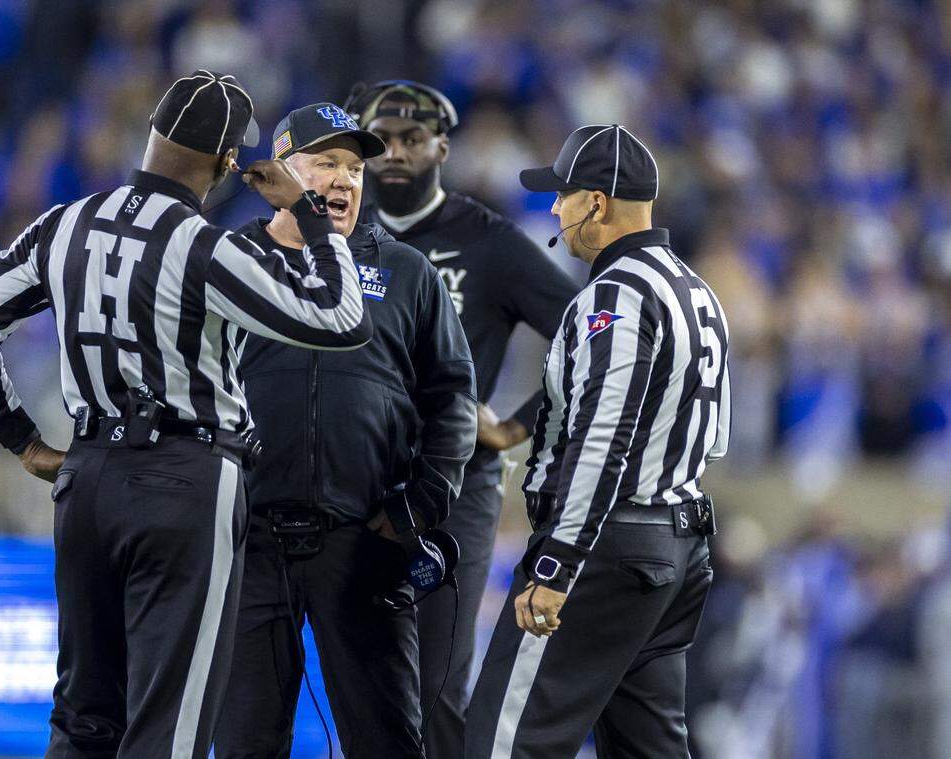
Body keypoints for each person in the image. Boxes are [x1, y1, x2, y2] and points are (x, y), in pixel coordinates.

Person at [0, 71, 373, 759]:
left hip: (86, 478)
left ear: (152, 137)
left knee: (81, 720)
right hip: (187, 482)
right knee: (170, 729)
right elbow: (342, 318)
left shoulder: (64, 223)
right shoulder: (204, 245)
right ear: (229, 162)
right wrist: (314, 220)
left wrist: (23, 441)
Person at [212, 102, 477, 759]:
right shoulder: (227, 258)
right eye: (326, 162)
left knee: (387, 740)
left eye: (356, 167)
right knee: (244, 741)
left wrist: (424, 498)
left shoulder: (409, 273)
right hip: (249, 544)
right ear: (280, 171)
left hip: (365, 541)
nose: (346, 179)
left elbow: (453, 397)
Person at [465, 124, 731, 758]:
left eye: (564, 195)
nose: (556, 209)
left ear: (598, 202)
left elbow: (602, 439)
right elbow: (713, 438)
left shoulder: (615, 293)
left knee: (499, 743)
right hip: (678, 543)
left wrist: (557, 563)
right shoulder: (697, 289)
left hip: (607, 547)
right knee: (649, 747)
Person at [343, 80, 579, 758]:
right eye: (380, 139)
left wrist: (513, 425)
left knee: (438, 679)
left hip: (451, 483)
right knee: (356, 671)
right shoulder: (335, 232)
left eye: (412, 139)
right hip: (353, 479)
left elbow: (590, 338)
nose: (394, 153)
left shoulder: (487, 240)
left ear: (442, 147)